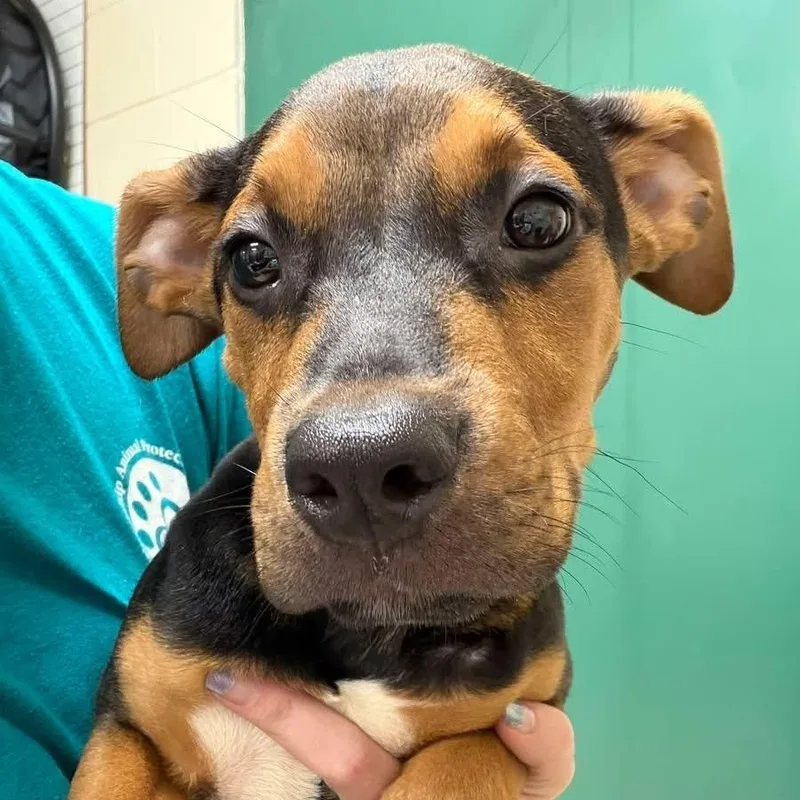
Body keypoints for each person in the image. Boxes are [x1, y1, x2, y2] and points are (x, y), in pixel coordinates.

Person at [0, 159, 574, 799]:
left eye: (534, 224)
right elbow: (133, 729)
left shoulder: (74, 258)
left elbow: (509, 738)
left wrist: (481, 768)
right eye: (254, 261)